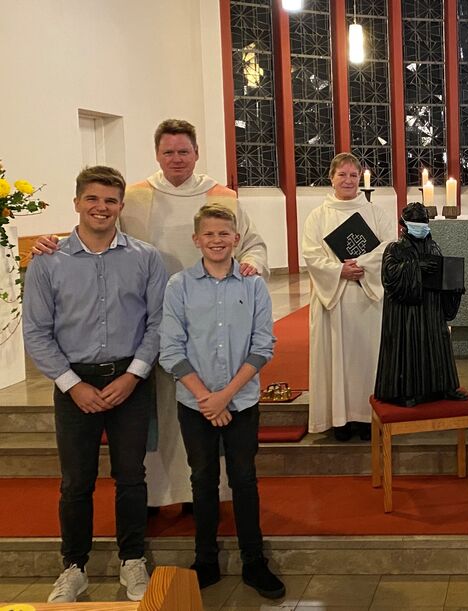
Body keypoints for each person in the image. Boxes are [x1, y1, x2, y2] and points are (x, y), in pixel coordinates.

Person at [34, 119, 268, 510]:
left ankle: (203, 496)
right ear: (157, 154)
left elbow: (252, 243)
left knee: (201, 404)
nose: (176, 159)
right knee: (157, 416)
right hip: (152, 325)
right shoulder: (138, 196)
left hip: (212, 323)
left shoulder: (222, 196)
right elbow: (98, 234)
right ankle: (158, 497)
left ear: (196, 153)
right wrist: (53, 242)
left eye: (184, 151)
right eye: (168, 152)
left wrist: (252, 264)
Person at [22, 166, 166, 603]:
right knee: (76, 481)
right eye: (92, 199)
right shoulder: (48, 261)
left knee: (131, 476)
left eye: (110, 200)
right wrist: (72, 385)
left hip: (130, 379)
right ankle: (74, 566)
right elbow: (37, 332)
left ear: (121, 206)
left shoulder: (145, 257)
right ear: (77, 203)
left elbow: (158, 323)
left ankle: (133, 561)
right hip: (75, 381)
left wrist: (132, 376)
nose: (101, 207)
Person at [159, 204, 284, 599]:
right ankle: (205, 559)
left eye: (224, 233)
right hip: (194, 402)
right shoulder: (178, 285)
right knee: (202, 479)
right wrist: (204, 397)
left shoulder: (253, 286)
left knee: (245, 478)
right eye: (209, 234)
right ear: (197, 240)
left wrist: (226, 396)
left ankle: (253, 560)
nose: (216, 240)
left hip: (241, 399)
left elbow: (264, 345)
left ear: (236, 239)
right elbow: (170, 348)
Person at [302, 153, 394, 440]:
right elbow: (311, 254)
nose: (348, 180)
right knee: (336, 359)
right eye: (342, 175)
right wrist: (338, 271)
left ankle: (368, 418)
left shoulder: (376, 214)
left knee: (368, 359)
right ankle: (339, 420)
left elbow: (389, 249)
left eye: (353, 175)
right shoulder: (318, 215)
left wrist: (360, 267)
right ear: (331, 178)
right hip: (335, 300)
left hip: (368, 299)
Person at [373, 202, 467, 406]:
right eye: (416, 222)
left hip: (432, 308)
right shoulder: (395, 248)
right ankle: (406, 391)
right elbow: (389, 278)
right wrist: (415, 267)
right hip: (406, 313)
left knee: (438, 342)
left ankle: (444, 387)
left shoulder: (433, 246)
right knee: (409, 347)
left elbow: (442, 275)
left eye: (424, 221)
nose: (421, 225)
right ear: (404, 224)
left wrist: (454, 289)